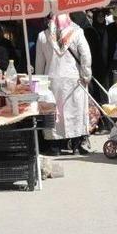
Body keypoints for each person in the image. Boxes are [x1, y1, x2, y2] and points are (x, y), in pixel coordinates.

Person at [36, 14, 92, 157]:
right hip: (74, 79)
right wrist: (86, 75)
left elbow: (39, 63)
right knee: (75, 111)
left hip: (51, 79)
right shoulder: (77, 33)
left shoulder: (43, 36)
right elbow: (86, 55)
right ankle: (77, 146)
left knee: (55, 114)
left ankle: (55, 147)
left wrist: (40, 82)